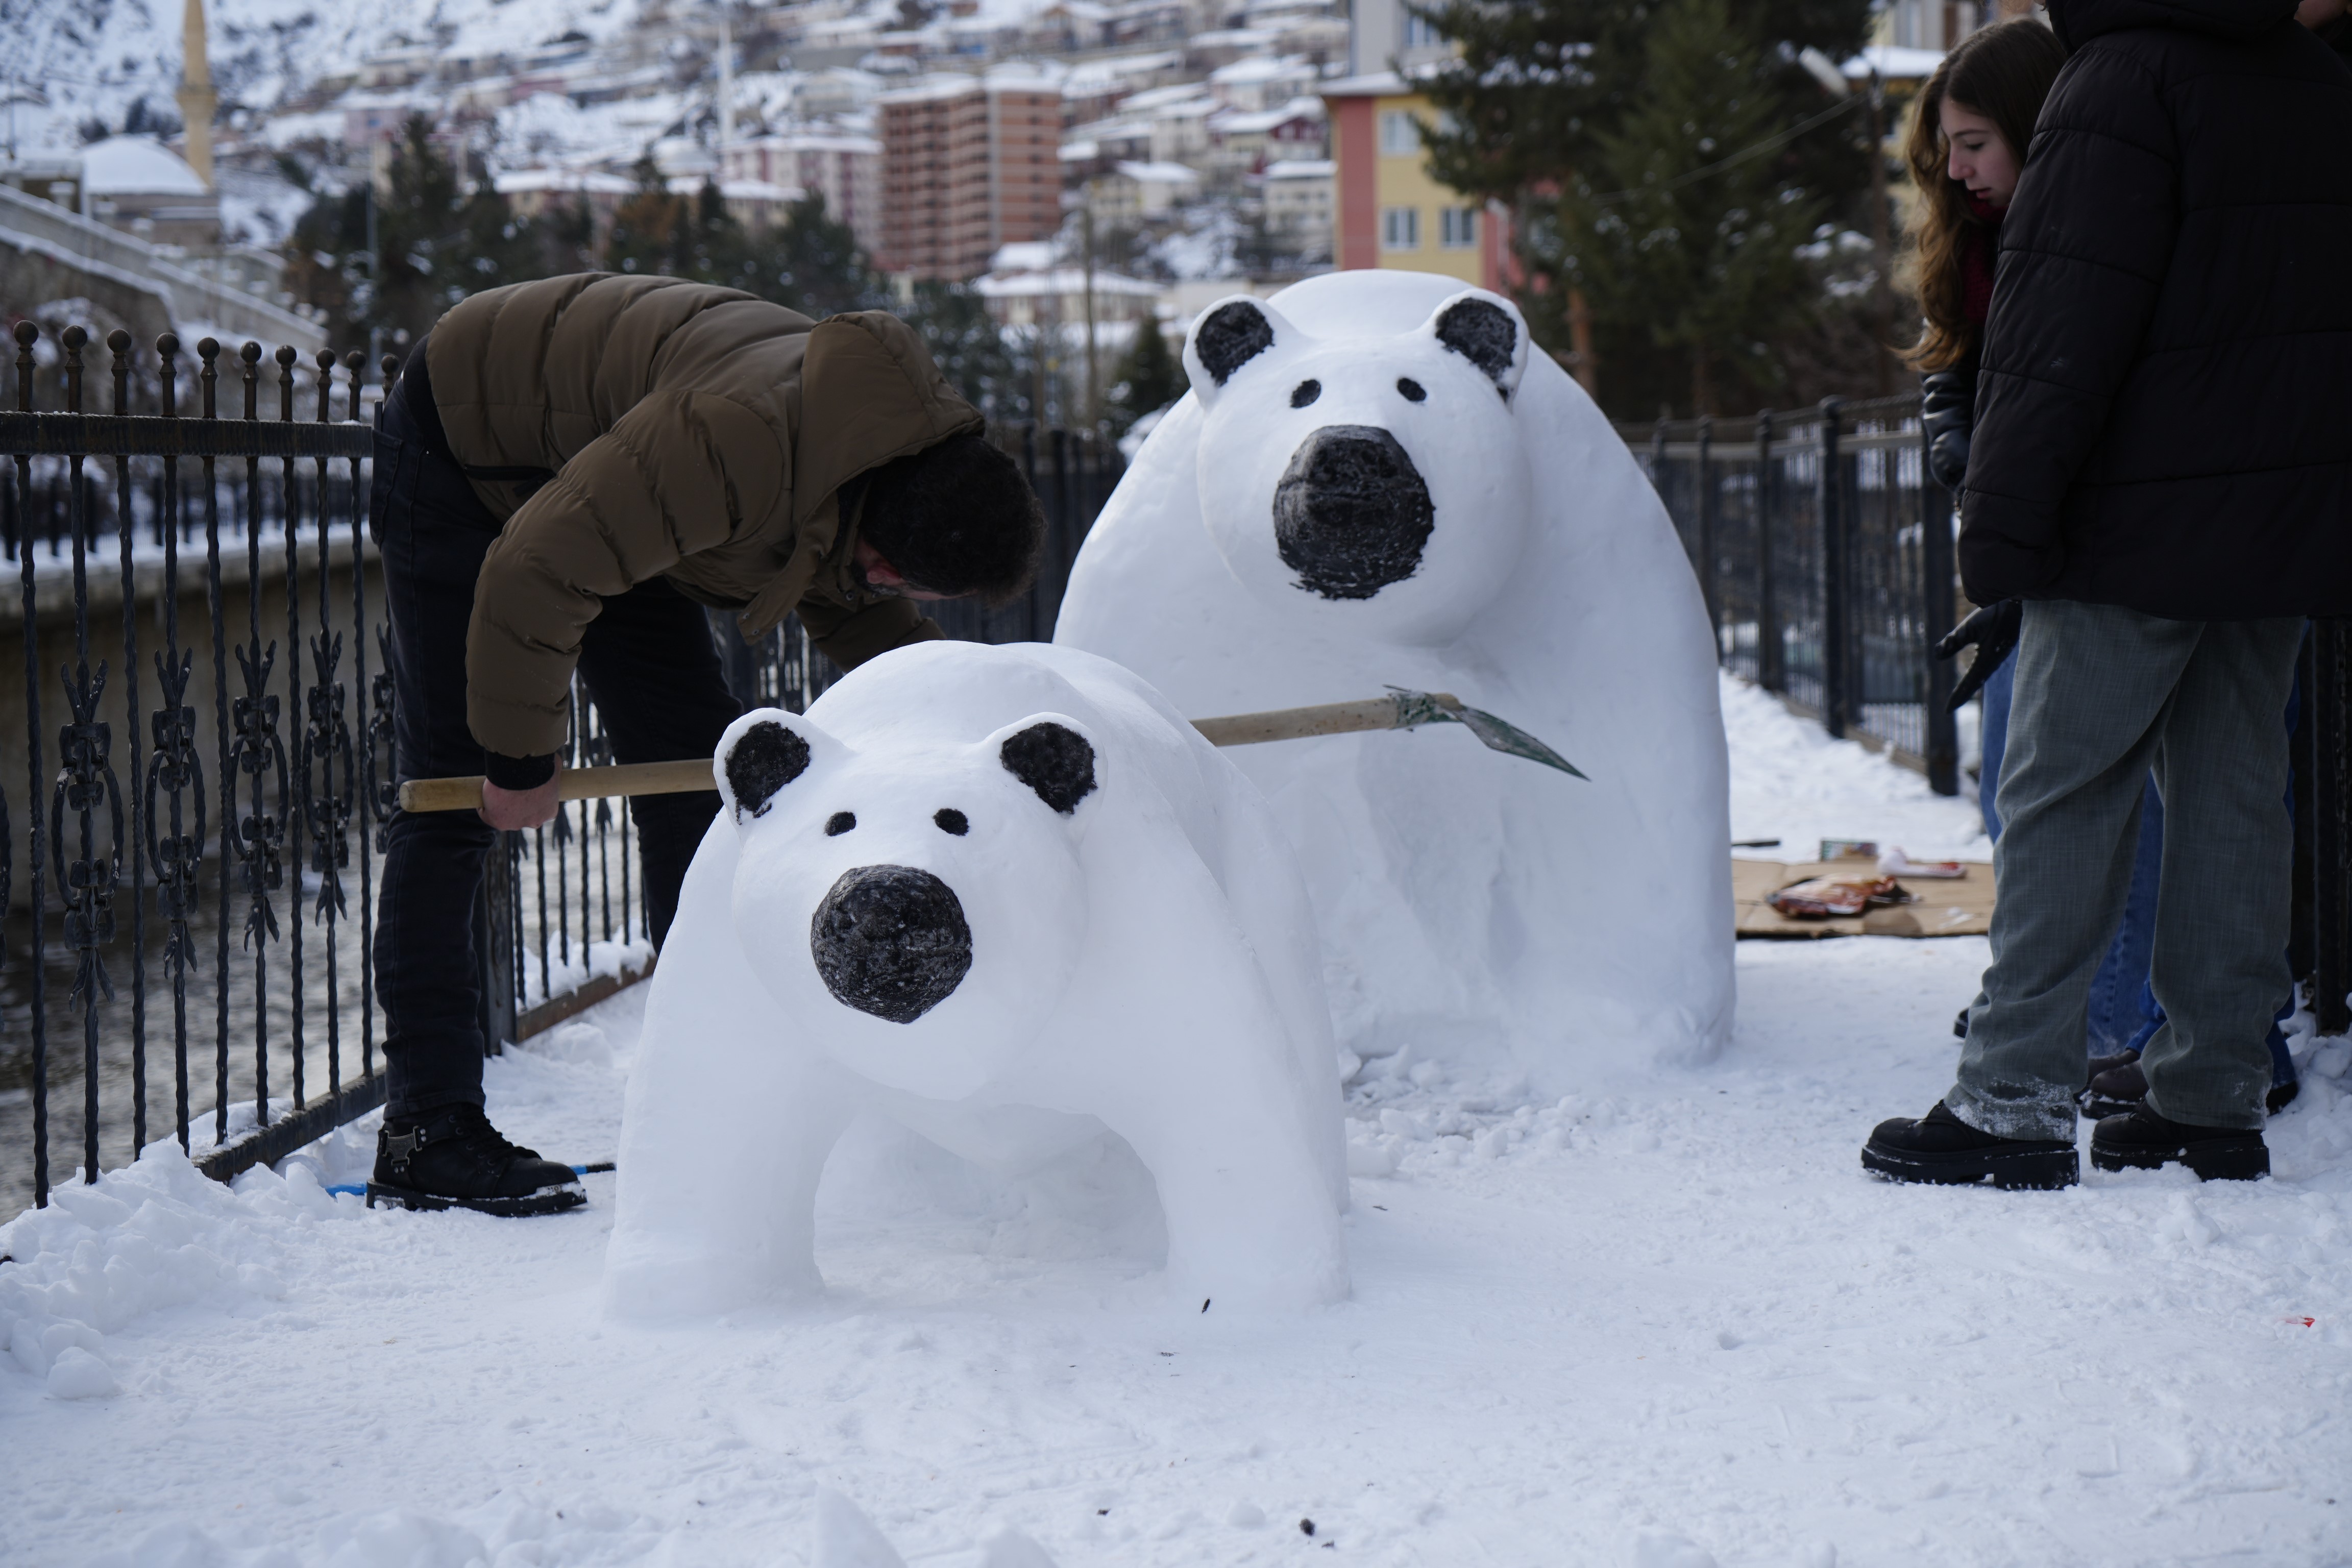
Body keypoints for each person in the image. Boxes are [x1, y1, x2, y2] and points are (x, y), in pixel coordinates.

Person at [365, 274, 1046, 1215]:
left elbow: (872, 630)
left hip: (603, 483)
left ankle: (712, 1085)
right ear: (886, 549)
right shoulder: (738, 443)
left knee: (694, 773)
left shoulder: (869, 463)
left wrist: (979, 738)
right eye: (916, 587)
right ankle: (425, 1132)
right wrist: (518, 761)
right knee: (450, 797)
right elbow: (537, 568)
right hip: (470, 450)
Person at [1863, 0, 2352, 1188]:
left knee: (2060, 790)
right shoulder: (2311, 77)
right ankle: (2211, 1094)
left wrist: (2008, 527)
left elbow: (2060, 325)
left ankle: (2014, 1097)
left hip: (2132, 516)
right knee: (2237, 791)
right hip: (2278, 516)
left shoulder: (2118, 79)